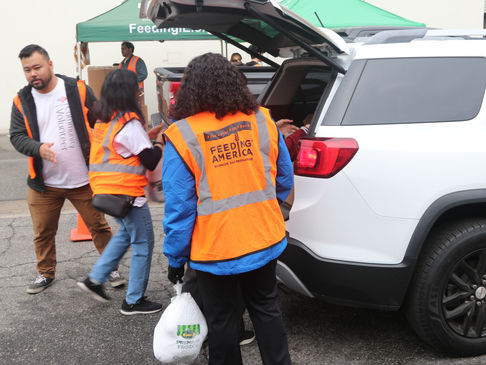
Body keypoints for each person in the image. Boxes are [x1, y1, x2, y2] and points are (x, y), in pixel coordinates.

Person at [163, 53, 293, 365]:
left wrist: (176, 258)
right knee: (267, 310)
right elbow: (284, 178)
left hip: (215, 251)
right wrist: (272, 211)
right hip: (263, 238)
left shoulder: (183, 135)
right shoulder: (262, 121)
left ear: (190, 90)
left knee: (221, 320)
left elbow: (180, 209)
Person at [10, 44, 122, 294]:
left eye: (37, 67)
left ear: (51, 65)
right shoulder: (21, 100)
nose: (32, 74)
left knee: (99, 227)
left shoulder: (77, 89)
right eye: (27, 70)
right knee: (42, 233)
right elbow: (16, 136)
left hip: (83, 179)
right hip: (44, 184)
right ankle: (45, 273)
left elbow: (101, 120)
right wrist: (37, 148)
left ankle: (111, 267)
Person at [77, 69, 164, 315]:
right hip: (127, 196)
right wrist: (159, 142)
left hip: (106, 193)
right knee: (143, 243)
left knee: (125, 236)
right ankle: (134, 301)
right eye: (137, 87)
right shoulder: (129, 122)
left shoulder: (105, 120)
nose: (139, 91)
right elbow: (150, 160)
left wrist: (148, 139)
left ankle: (94, 280)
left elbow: (123, 150)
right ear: (128, 92)